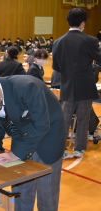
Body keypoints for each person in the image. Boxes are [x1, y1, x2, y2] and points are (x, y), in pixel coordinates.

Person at [0, 76, 66, 211]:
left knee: (46, 194)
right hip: (21, 137)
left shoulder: (27, 87)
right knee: (21, 190)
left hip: (49, 137)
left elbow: (41, 125)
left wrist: (15, 154)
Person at [52, 8, 101, 159]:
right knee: (83, 118)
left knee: (65, 117)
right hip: (85, 85)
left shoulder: (58, 42)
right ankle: (80, 149)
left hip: (67, 85)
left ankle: (61, 148)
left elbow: (56, 67)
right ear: (83, 23)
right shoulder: (90, 40)